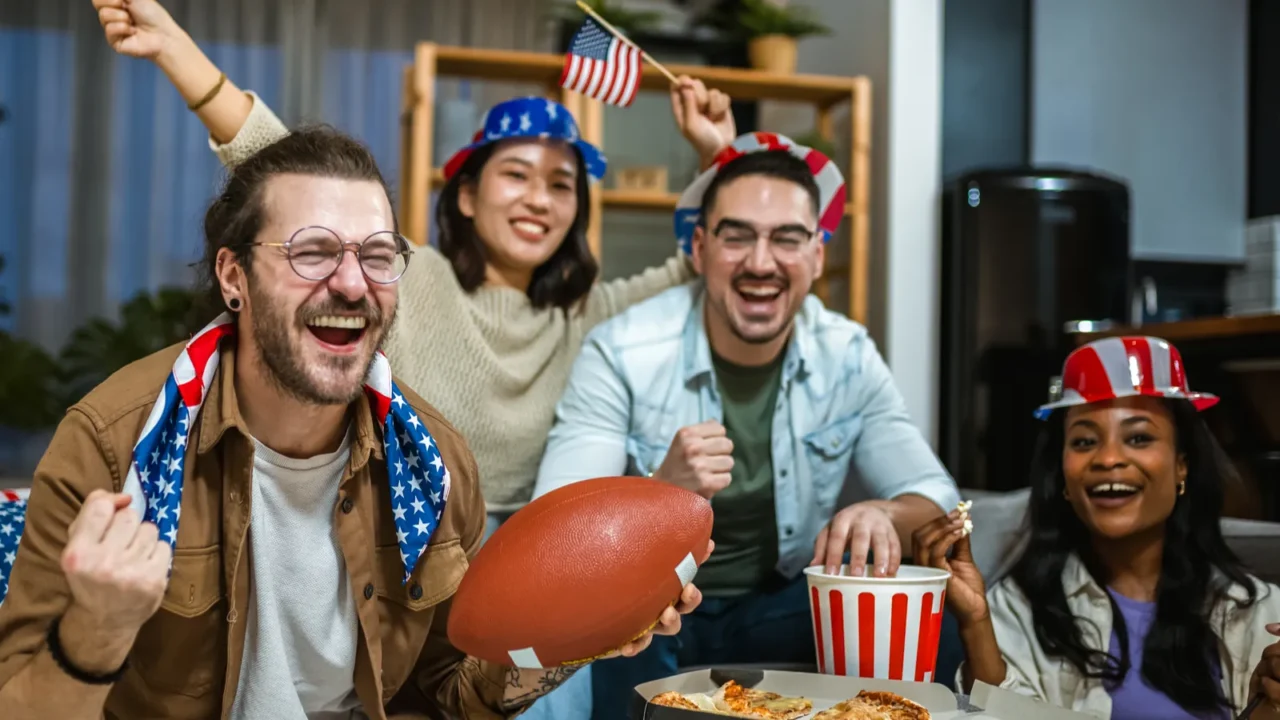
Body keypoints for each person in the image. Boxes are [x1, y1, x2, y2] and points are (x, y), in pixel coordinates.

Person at [0, 125, 704, 718]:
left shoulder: (434, 463)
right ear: (233, 276)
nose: (350, 282)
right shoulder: (115, 446)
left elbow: (454, 695)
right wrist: (95, 632)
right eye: (312, 251)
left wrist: (576, 635)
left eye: (375, 255)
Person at [532, 133, 963, 719]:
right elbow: (556, 530)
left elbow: (940, 501)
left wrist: (885, 512)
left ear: (817, 254)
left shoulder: (847, 354)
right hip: (653, 615)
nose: (761, 263)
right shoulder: (624, 350)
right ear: (700, 248)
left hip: (778, 605)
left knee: (942, 620)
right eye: (737, 237)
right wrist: (661, 495)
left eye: (787, 238)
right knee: (581, 637)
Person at [912, 336, 1280, 719]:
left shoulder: (1258, 612)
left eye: (1138, 437)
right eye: (1085, 441)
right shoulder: (1016, 611)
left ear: (1182, 465)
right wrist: (973, 623)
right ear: (1064, 477)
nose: (1107, 458)